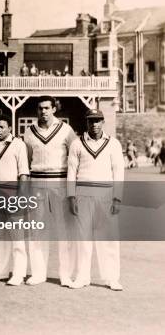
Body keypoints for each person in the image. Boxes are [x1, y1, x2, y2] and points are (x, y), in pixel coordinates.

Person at [67, 109, 124, 291]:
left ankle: (111, 278)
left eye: (98, 120)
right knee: (83, 238)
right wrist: (71, 196)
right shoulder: (77, 144)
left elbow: (118, 172)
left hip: (106, 195)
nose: (95, 124)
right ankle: (82, 277)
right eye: (91, 121)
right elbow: (71, 172)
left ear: (103, 122)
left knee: (108, 238)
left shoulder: (113, 144)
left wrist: (117, 198)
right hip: (83, 195)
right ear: (86, 122)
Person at [23, 96, 77, 286]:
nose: (43, 111)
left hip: (60, 183)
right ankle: (38, 274)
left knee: (64, 230)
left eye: (47, 108)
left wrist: (73, 189)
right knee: (37, 230)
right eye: (40, 108)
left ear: (54, 109)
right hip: (37, 183)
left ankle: (65, 275)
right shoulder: (29, 132)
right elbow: (26, 161)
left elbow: (75, 158)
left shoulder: (66, 130)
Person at [0, 115, 30, 286]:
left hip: (13, 193)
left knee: (16, 236)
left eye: (2, 127)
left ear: (10, 128)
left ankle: (18, 273)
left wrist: (21, 198)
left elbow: (23, 173)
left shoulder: (18, 145)